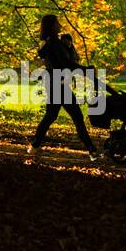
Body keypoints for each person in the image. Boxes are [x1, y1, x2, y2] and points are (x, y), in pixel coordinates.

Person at [26, 14, 99, 162]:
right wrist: (86, 70)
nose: (60, 25)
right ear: (52, 26)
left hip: (54, 84)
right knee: (76, 117)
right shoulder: (54, 44)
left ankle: (34, 146)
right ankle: (92, 151)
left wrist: (70, 47)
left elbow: (68, 61)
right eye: (57, 23)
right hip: (58, 85)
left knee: (51, 116)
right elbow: (66, 64)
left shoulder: (49, 43)